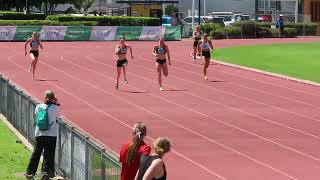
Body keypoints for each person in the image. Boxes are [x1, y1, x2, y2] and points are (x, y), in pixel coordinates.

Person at [25, 90, 60, 179]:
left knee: (36, 153)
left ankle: (30, 172)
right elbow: (57, 114)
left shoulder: (38, 107)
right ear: (53, 98)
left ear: (44, 97)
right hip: (51, 134)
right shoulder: (55, 108)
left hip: (39, 134)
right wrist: (56, 101)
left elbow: (37, 116)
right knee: (49, 154)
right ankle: (46, 173)